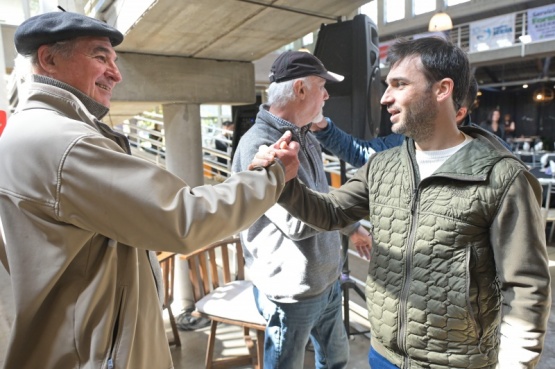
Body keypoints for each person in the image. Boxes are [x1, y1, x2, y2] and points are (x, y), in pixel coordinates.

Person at [0, 11, 300, 369]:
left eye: (114, 60)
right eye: (100, 56)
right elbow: (183, 217)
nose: (116, 73)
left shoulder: (27, 131)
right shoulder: (63, 142)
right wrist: (271, 176)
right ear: (48, 58)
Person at [261, 37, 551, 368]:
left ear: (442, 89)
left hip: (456, 362)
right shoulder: (382, 167)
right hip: (383, 355)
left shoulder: (502, 177)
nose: (385, 98)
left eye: (399, 85)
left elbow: (526, 287)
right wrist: (283, 182)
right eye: (387, 85)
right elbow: (329, 212)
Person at [231, 50, 372, 369]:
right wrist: (357, 203)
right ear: (300, 89)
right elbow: (297, 221)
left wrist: (352, 228)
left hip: (326, 279)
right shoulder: (261, 146)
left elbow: (318, 197)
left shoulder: (305, 135)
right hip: (291, 290)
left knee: (336, 359)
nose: (326, 95)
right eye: (321, 86)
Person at [310, 76, 511, 168]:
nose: (385, 100)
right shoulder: (404, 142)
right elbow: (361, 153)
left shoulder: (497, 160)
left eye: (403, 86)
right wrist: (324, 128)